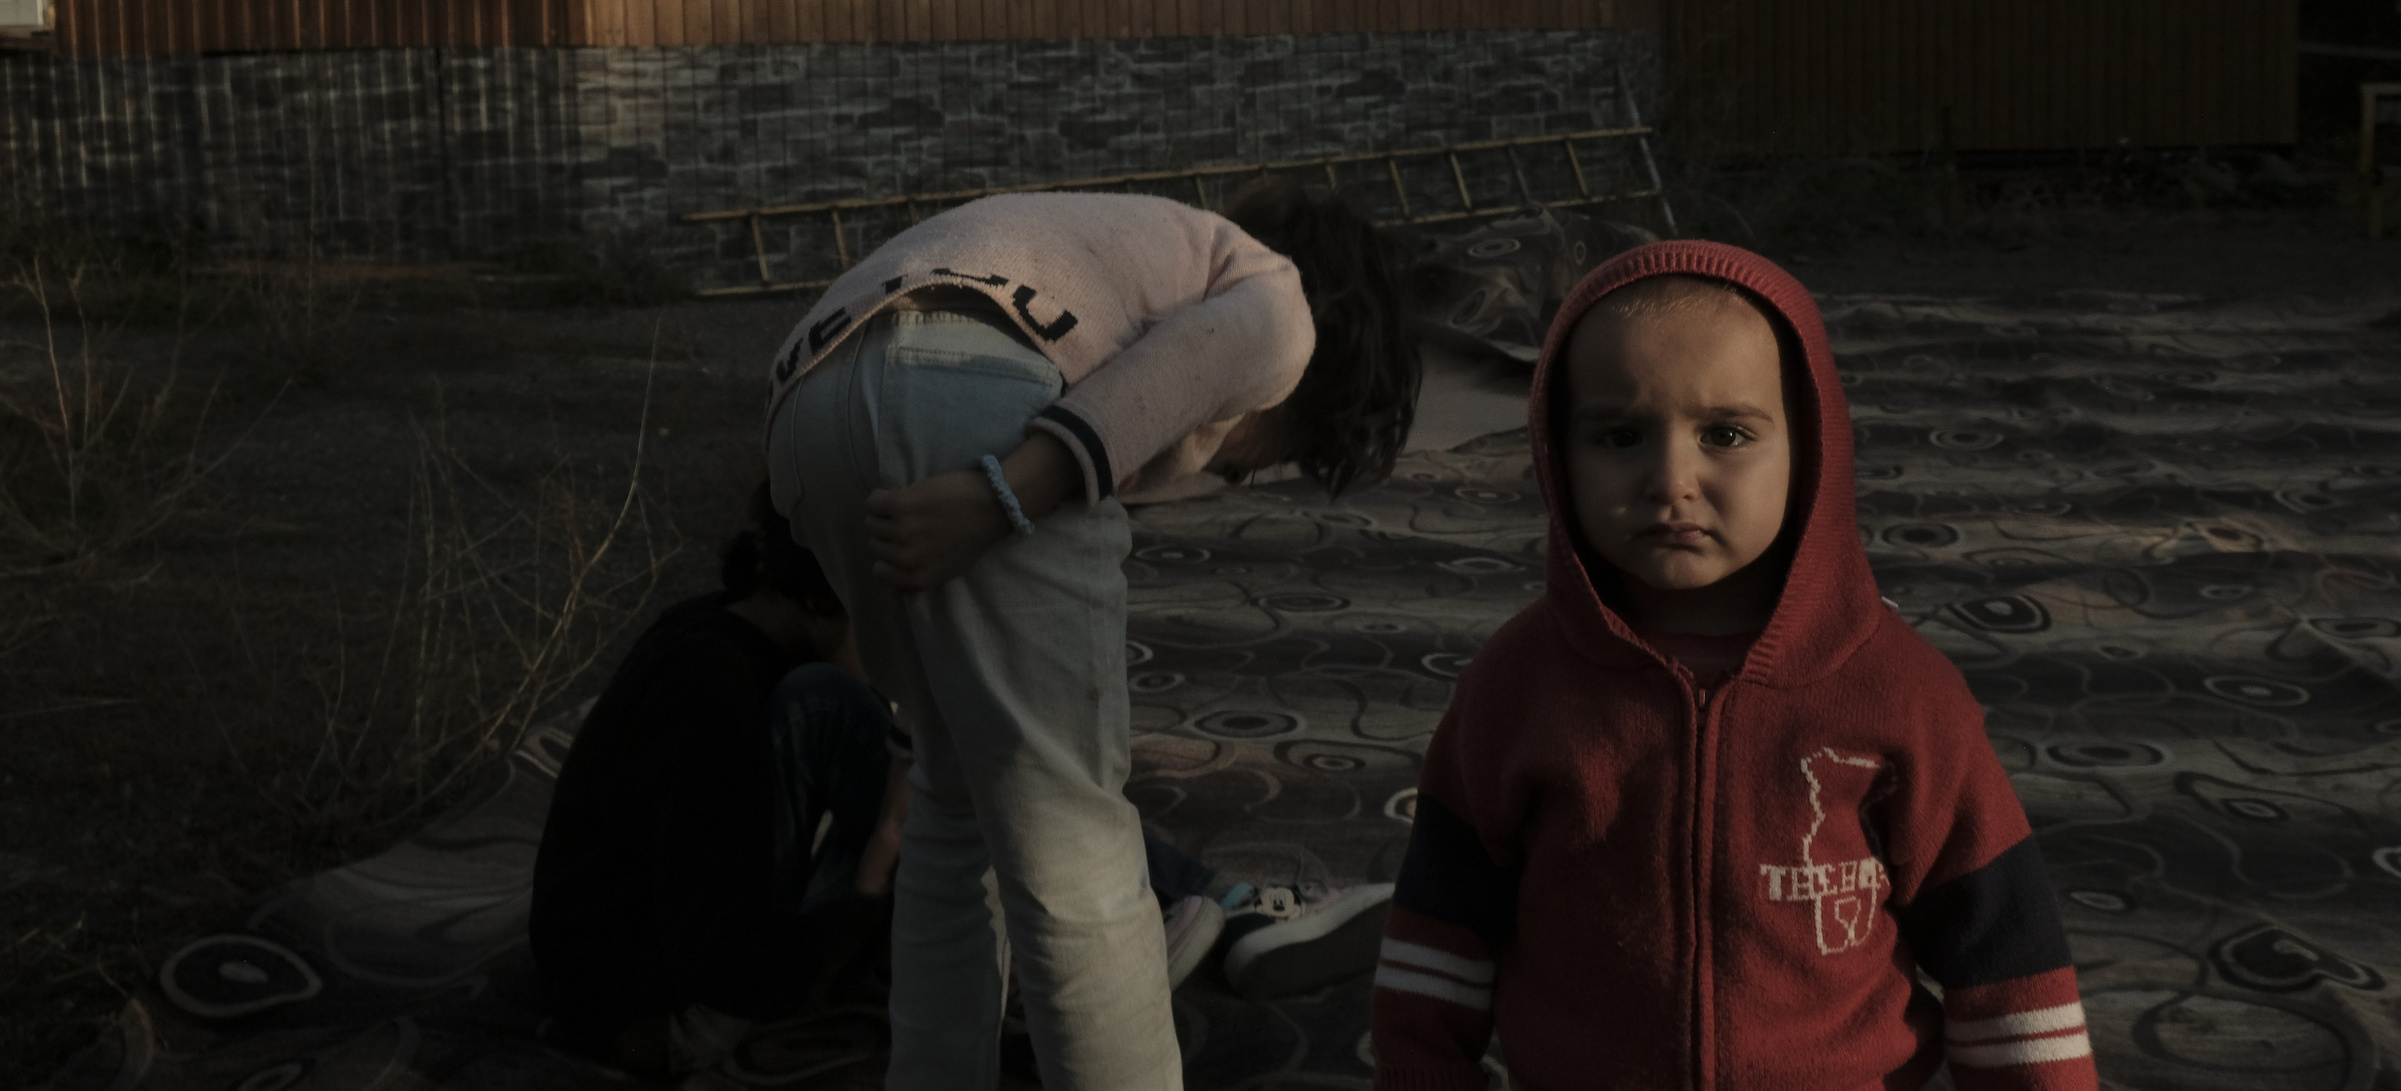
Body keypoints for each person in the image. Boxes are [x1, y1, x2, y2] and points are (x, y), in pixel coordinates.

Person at [1370, 241, 2099, 1090]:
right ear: (1554, 450)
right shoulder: (1513, 687)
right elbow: (1440, 928)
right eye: (1620, 434)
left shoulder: (1902, 694)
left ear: (1811, 444)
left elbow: (2005, 953)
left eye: (1725, 433)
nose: (1671, 478)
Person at [765, 181, 1420, 1091]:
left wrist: (919, 734)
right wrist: (1003, 497)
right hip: (977, 384)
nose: (1227, 467)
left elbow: (960, 664)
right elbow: (1227, 349)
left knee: (955, 800)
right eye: (1262, 457)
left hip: (806, 396)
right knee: (1076, 844)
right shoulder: (1281, 296)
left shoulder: (1128, 246)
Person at [530, 484, 905, 1078]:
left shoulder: (715, 626)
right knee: (836, 714)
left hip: (638, 969)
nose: (899, 648)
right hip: (655, 1017)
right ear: (822, 599)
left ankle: (944, 889)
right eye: (887, 620)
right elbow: (728, 960)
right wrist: (867, 885)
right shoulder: (719, 699)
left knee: (843, 719)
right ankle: (960, 904)